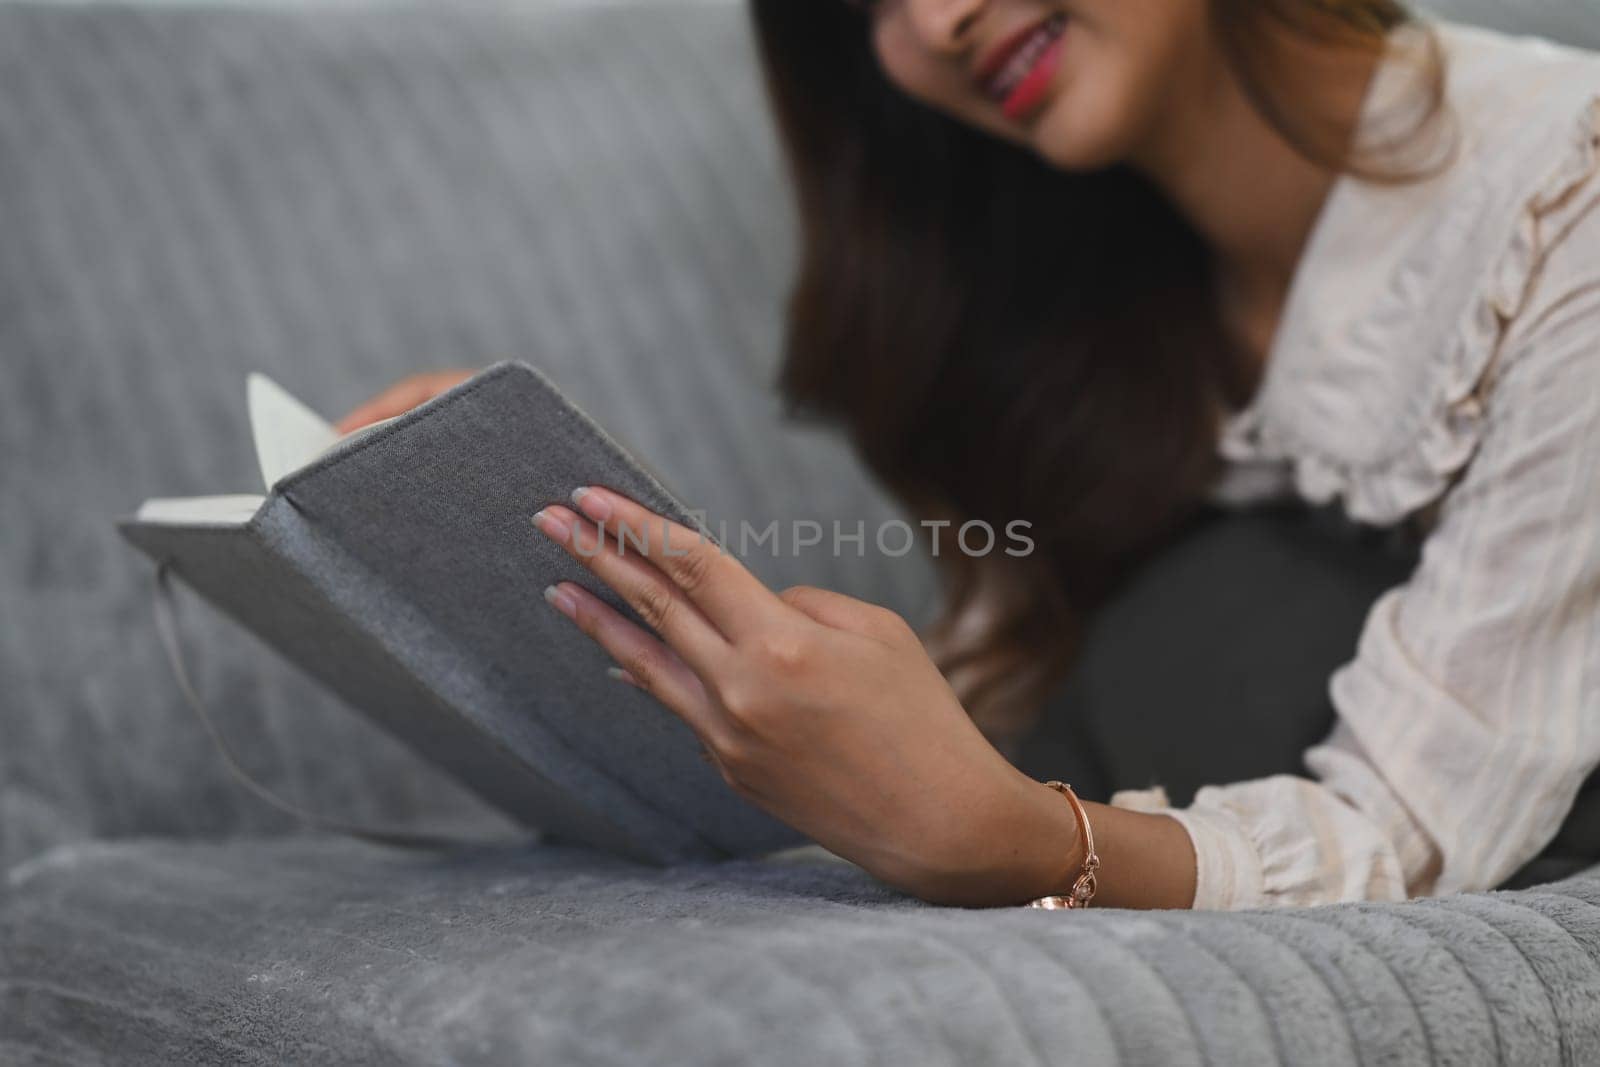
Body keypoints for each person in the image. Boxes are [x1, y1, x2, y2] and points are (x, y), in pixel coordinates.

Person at [338, 0, 1600, 911]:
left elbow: (1419, 835)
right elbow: (983, 708)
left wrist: (1021, 841)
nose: (936, 22)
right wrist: (570, 531)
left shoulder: (1559, 205)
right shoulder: (1067, 286)